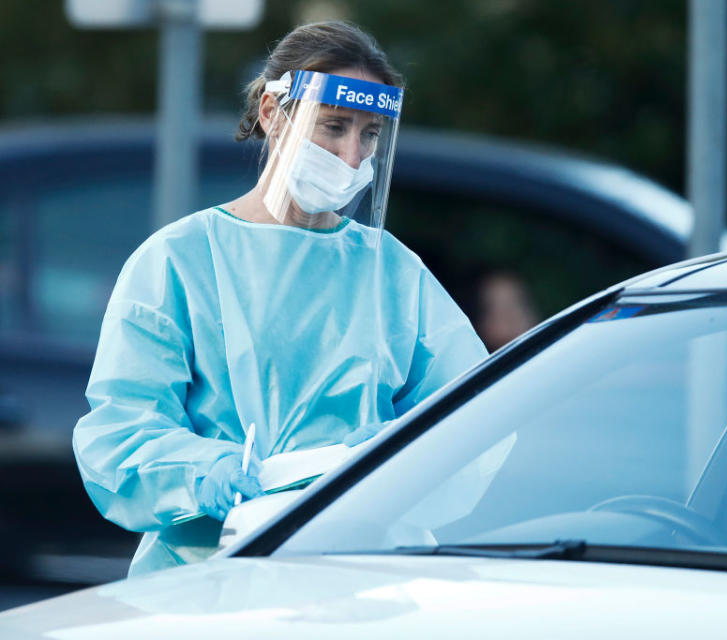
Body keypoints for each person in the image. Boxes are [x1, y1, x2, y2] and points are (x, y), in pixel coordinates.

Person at [73, 21, 488, 576]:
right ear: (273, 113)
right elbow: (120, 434)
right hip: (207, 578)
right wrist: (205, 472)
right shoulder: (179, 259)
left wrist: (399, 451)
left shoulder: (393, 271)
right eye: (333, 126)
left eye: (369, 135)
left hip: (360, 579)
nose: (350, 155)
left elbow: (475, 420)